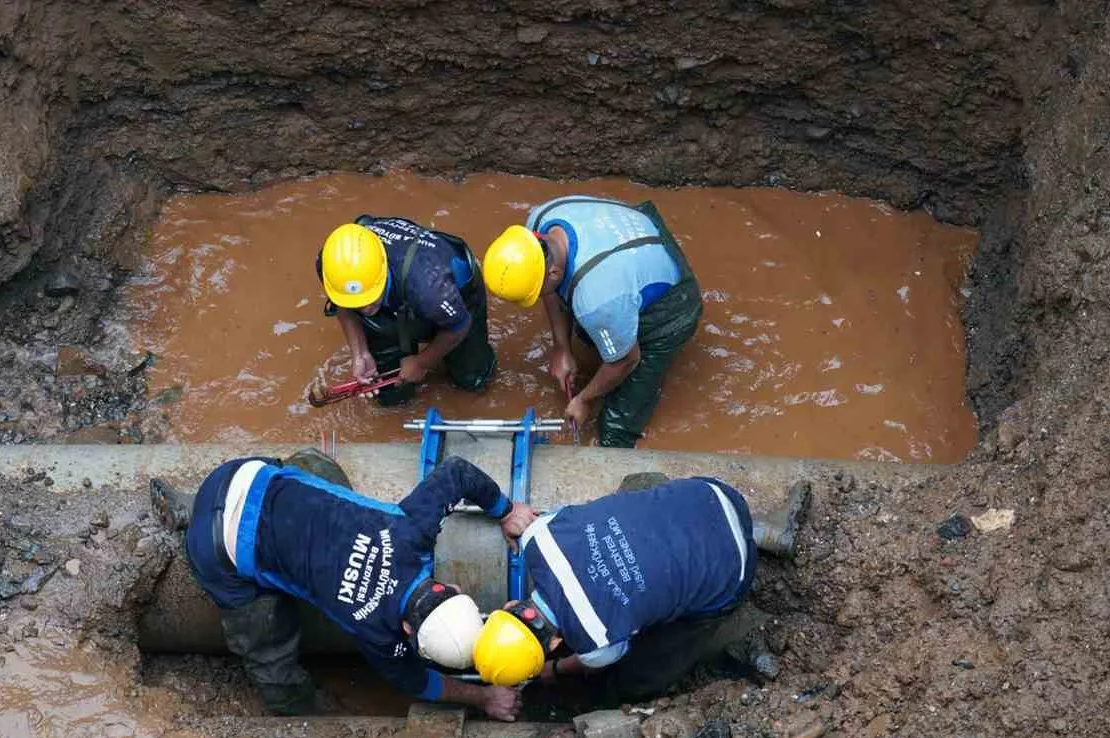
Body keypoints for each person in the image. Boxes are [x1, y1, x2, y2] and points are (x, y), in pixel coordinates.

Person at [149, 449, 532, 719]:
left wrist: (507, 510)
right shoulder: (378, 635)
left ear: (452, 591)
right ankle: (295, 712)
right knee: (268, 645)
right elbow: (420, 685)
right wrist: (483, 698)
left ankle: (194, 502)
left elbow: (457, 472)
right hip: (216, 550)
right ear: (406, 633)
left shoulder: (412, 532)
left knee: (321, 474)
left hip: (238, 475)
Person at [472, 473, 809, 701]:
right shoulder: (537, 536)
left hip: (732, 572)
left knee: (646, 668)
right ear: (508, 607)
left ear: (558, 642)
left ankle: (634, 698)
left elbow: (593, 662)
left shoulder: (596, 643)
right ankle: (762, 527)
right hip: (712, 494)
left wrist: (553, 670)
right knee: (633, 498)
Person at [481, 196, 703, 447]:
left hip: (672, 303)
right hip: (636, 236)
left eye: (536, 292)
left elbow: (626, 359)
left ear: (552, 273)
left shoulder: (598, 301)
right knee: (592, 328)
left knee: (614, 431)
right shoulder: (540, 222)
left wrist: (584, 400)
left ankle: (620, 430)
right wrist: (561, 347)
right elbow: (550, 288)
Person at [317, 218, 496, 406]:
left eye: (369, 300)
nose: (365, 310)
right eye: (357, 304)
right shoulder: (332, 264)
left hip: (452, 294)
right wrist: (360, 352)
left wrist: (422, 362)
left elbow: (460, 325)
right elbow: (341, 304)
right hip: (402, 293)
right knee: (388, 394)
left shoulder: (431, 288)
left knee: (471, 379)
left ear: (384, 269)